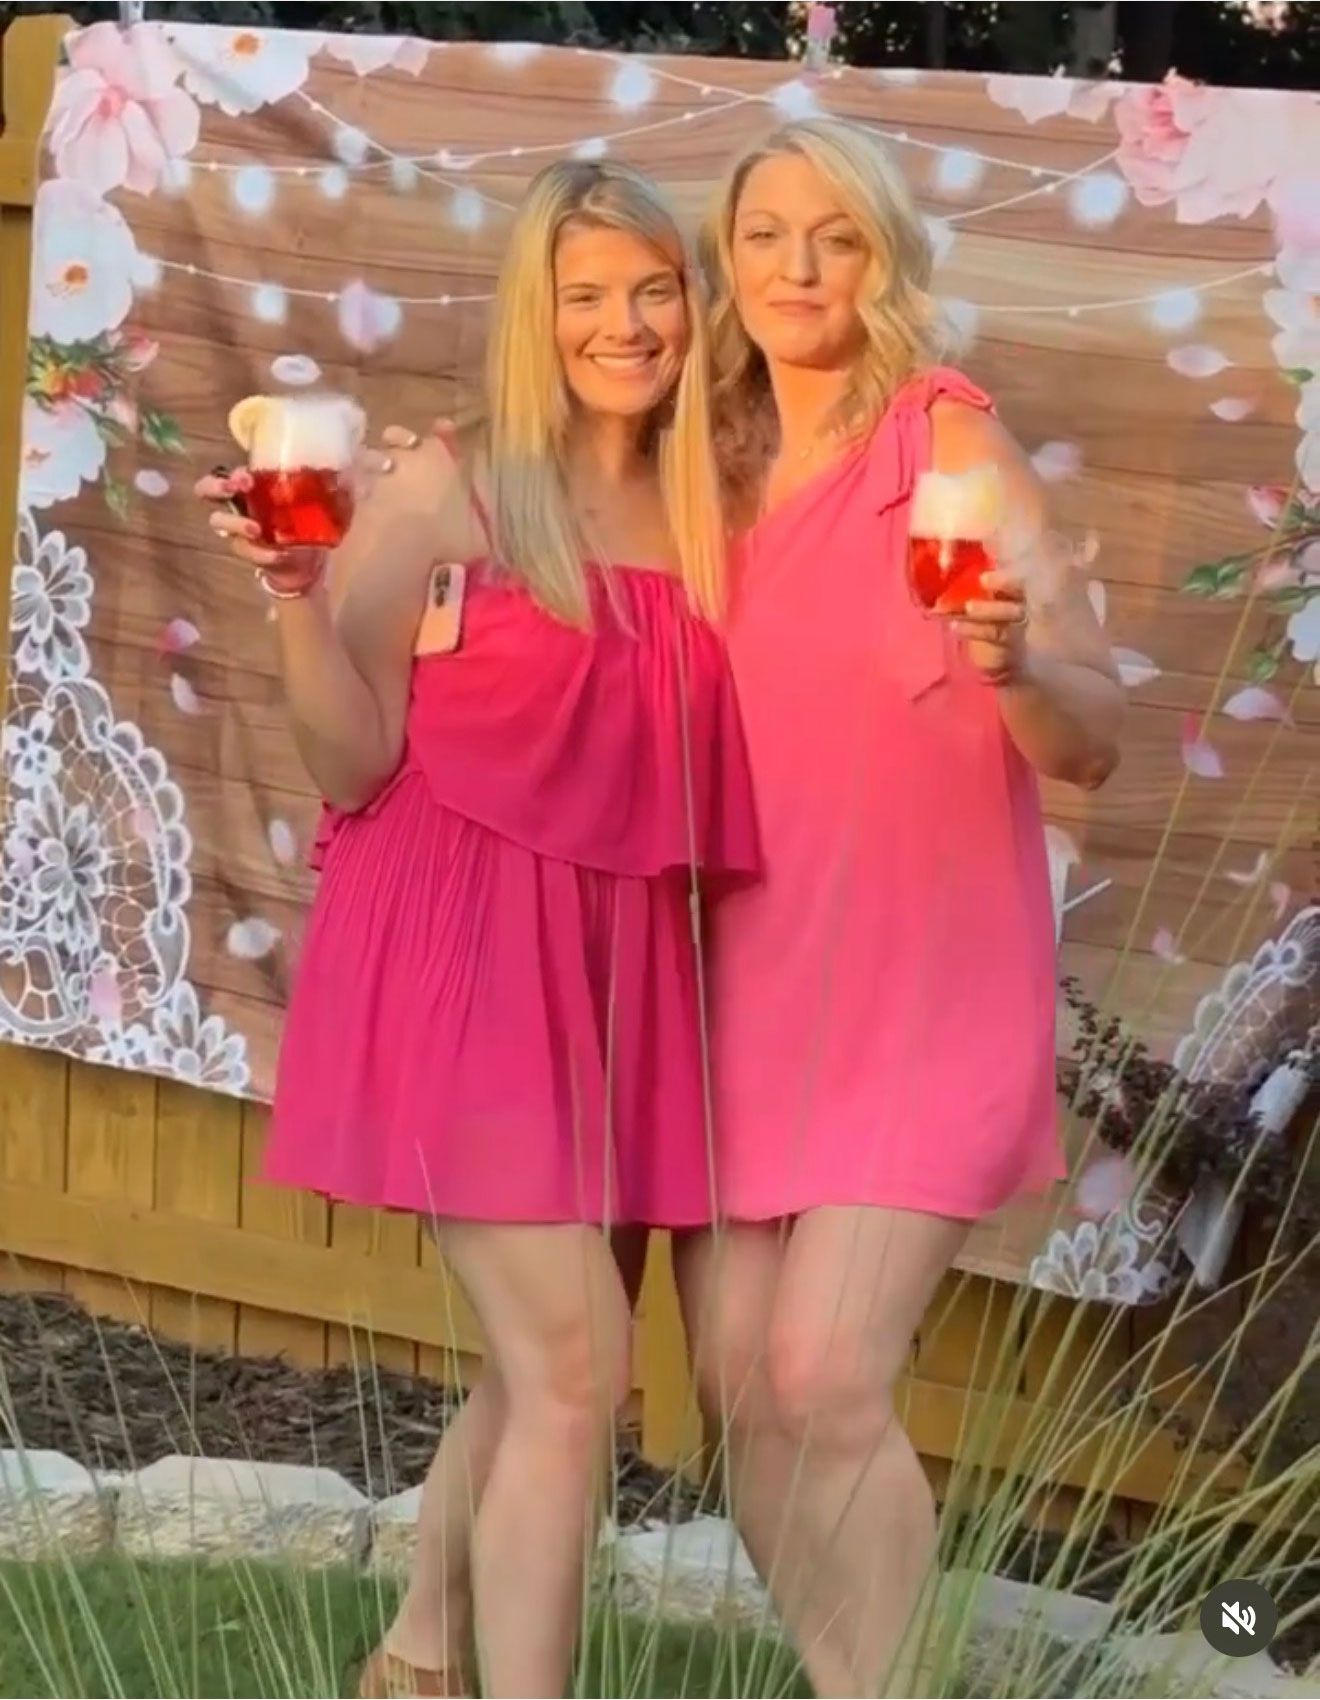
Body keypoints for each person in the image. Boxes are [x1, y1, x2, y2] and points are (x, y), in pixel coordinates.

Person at [196, 159, 757, 1699]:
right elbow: (351, 755)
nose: (625, 323)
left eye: (653, 287)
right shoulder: (459, 478)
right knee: (577, 1366)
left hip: (624, 961)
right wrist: (298, 595)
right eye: (585, 296)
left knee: (550, 1366)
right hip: (458, 944)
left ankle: (417, 1657)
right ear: (536, 313)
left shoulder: (719, 499)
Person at [671, 117, 1125, 1699]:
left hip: (922, 988)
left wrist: (1011, 668)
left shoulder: (942, 439)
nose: (798, 271)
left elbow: (1095, 730)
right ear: (725, 266)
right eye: (764, 237)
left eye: (836, 239)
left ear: (883, 261)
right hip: (733, 978)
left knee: (825, 1371)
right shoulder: (690, 460)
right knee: (739, 1383)